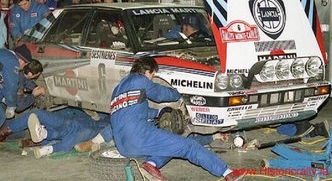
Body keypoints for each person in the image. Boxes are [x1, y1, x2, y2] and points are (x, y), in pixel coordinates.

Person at [110, 56, 244, 181]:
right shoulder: (140, 80)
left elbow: (136, 112)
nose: (152, 78)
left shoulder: (118, 89)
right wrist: (180, 92)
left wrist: (158, 112)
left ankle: (151, 164)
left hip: (123, 145)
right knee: (190, 147)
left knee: (172, 144)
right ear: (146, 71)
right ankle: (227, 172)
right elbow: (160, 94)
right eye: (152, 74)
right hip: (138, 136)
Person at [0, 107, 110, 158]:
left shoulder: (110, 120)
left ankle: (45, 138)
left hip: (77, 124)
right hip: (64, 118)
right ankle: (5, 131)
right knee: (35, 114)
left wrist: (96, 116)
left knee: (76, 129)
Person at [0, 44, 32, 125]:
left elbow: (4, 82)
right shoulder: (12, 61)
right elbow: (11, 85)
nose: (23, 67)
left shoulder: (3, 52)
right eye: (25, 65)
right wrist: (11, 105)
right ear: (21, 60)